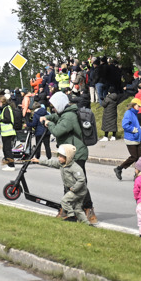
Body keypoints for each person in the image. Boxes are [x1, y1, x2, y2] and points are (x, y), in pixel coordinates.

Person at [44, 91, 97, 224]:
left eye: (54, 106)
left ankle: (87, 209)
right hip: (71, 153)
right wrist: (48, 117)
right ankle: (68, 210)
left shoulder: (68, 117)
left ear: (60, 104)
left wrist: (47, 123)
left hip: (76, 153)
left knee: (79, 183)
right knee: (69, 182)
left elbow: (57, 131)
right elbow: (57, 117)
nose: (53, 109)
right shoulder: (66, 114)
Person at [40, 143, 88, 222]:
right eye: (58, 155)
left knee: (64, 200)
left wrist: (74, 188)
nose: (58, 158)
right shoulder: (62, 164)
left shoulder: (75, 167)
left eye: (61, 156)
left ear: (68, 157)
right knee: (78, 209)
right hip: (76, 190)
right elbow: (51, 163)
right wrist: (39, 161)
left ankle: (71, 216)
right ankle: (87, 224)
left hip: (78, 191)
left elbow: (81, 179)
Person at [115, 98, 141, 181]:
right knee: (134, 157)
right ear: (134, 105)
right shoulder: (128, 113)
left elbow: (133, 123)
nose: (139, 107)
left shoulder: (134, 113)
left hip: (135, 137)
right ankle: (119, 168)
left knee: (139, 158)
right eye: (138, 106)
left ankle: (137, 174)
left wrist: (138, 128)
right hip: (131, 138)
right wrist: (133, 129)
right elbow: (125, 125)